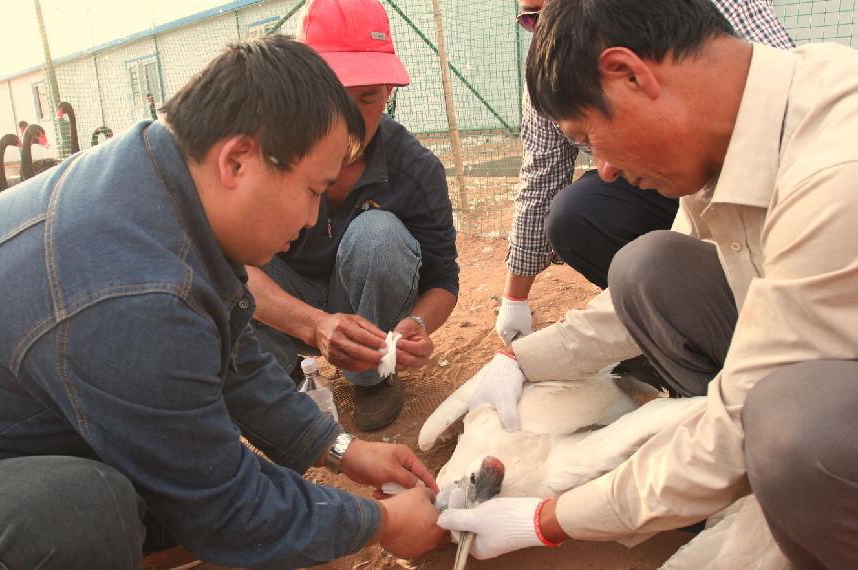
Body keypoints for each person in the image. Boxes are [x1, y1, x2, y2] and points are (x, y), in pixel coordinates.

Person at [0, 36, 447, 569]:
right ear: (236, 161)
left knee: (163, 482)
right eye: (312, 190)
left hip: (5, 435)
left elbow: (232, 357)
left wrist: (341, 450)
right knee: (89, 510)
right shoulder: (135, 289)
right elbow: (223, 503)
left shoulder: (160, 183)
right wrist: (379, 523)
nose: (313, 218)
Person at [438, 0, 857, 568]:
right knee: (649, 266)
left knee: (796, 430)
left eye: (589, 136)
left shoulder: (835, 172)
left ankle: (798, 504)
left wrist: (547, 519)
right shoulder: (728, 130)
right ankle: (738, 486)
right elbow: (624, 308)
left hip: (823, 399)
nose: (603, 168)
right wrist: (520, 359)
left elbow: (737, 423)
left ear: (628, 74)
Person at [495, 0, 794, 354]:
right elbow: (541, 178)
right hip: (699, 171)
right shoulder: (555, 71)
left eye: (552, 12)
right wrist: (523, 339)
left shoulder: (811, 163)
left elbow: (781, 365)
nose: (605, 170)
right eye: (532, 20)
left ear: (630, 73)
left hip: (762, 167)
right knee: (621, 244)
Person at [246, 0, 459, 431]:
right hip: (287, 307)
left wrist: (416, 323)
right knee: (216, 259)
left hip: (367, 318)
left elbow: (443, 279)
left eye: (367, 97)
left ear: (389, 92)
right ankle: (283, 373)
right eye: (334, 96)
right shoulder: (262, 154)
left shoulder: (416, 169)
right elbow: (229, 267)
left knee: (379, 233)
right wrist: (315, 324)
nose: (350, 118)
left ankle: (370, 375)